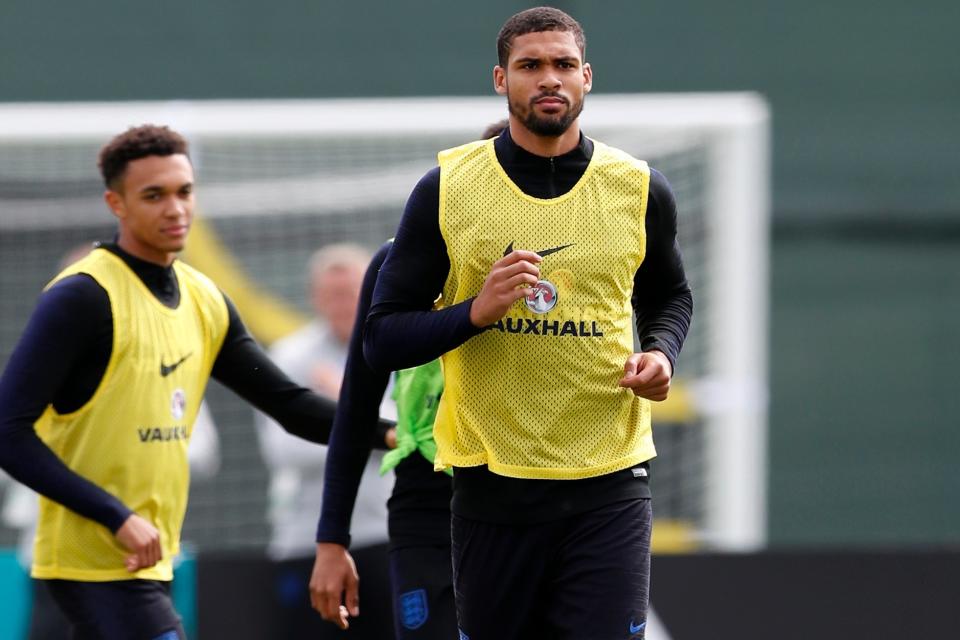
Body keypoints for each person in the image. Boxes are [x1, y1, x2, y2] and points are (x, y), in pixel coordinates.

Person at [362, 7, 693, 640]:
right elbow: (382, 338)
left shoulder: (639, 188)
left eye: (564, 65)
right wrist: (474, 312)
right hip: (493, 493)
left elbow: (670, 296)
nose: (550, 79)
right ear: (500, 79)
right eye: (530, 65)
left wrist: (662, 353)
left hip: (609, 483)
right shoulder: (447, 188)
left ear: (587, 77)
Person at [0, 125, 388, 640]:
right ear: (115, 203)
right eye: (153, 195)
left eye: (184, 192)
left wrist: (392, 435)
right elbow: (9, 430)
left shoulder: (203, 299)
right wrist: (115, 516)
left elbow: (291, 406)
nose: (175, 208)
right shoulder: (81, 297)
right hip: (88, 561)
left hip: (153, 557)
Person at [309, 120, 508, 638]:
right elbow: (355, 407)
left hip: (537, 503)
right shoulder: (403, 260)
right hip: (427, 503)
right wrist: (332, 539)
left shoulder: (567, 269)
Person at [256, 243, 394, 639]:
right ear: (314, 298)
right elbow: (286, 449)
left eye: (351, 291)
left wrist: (339, 404)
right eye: (332, 294)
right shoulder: (290, 356)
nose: (343, 302)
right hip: (307, 543)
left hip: (385, 535)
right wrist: (368, 425)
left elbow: (413, 432)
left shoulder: (394, 348)